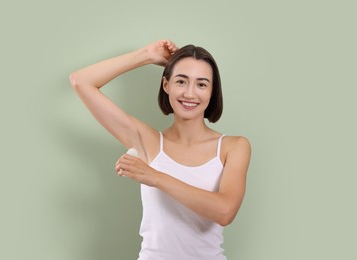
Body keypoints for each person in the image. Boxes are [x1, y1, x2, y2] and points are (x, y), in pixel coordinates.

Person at [69, 40, 251, 260]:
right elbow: (81, 81)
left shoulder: (233, 147)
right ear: (166, 85)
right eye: (181, 81)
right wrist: (146, 55)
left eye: (201, 84)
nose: (190, 94)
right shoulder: (149, 141)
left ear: (212, 91)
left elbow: (224, 211)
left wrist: (155, 177)